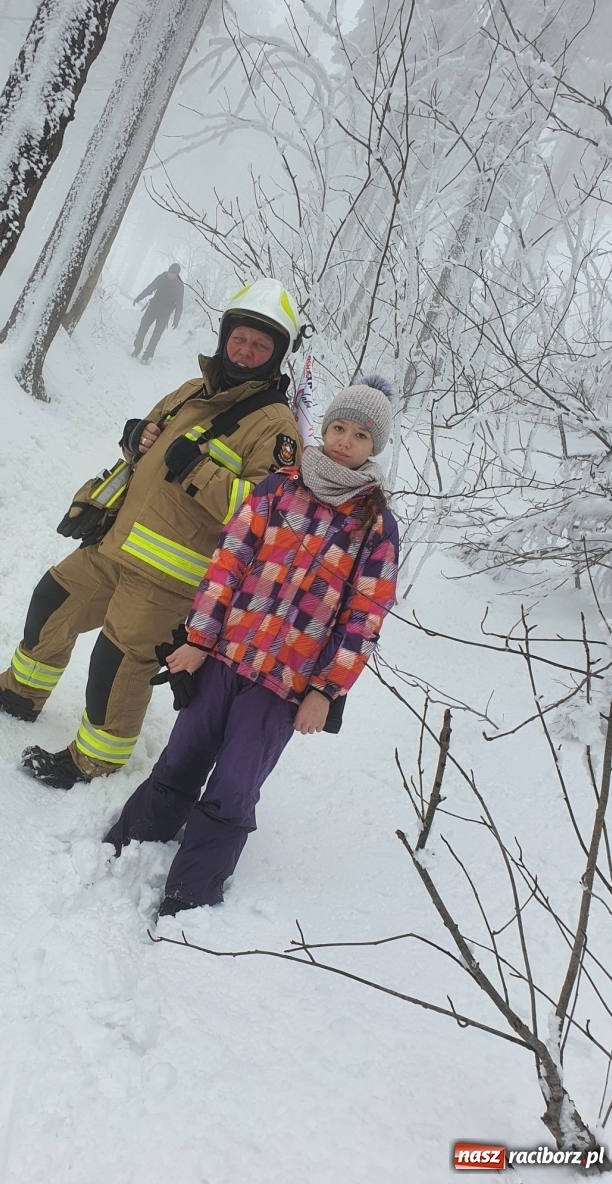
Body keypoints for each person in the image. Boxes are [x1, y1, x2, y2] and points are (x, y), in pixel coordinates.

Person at [0, 278, 305, 789]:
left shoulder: (276, 427)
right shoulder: (192, 390)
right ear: (224, 336)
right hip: (117, 544)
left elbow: (271, 515)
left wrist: (199, 471)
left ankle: (94, 761)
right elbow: (149, 443)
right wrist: (135, 437)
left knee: (119, 663)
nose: (246, 350)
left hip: (169, 577)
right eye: (239, 338)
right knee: (52, 601)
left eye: (261, 345)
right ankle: (21, 693)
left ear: (276, 355)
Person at [104, 375, 399, 918]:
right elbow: (228, 562)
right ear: (325, 427)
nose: (344, 441)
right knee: (182, 756)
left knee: (235, 784)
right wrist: (198, 640)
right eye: (338, 427)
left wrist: (325, 692)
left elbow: (365, 616)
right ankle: (134, 838)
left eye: (360, 436)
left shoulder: (374, 523)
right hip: (223, 658)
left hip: (282, 684)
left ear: (373, 447)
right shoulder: (279, 487)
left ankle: (192, 892)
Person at [132, 264, 184, 362]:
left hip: (165, 314)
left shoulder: (179, 286)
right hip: (153, 308)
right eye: (170, 273)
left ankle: (146, 356)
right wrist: (139, 297)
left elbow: (179, 303)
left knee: (156, 336)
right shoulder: (161, 278)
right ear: (168, 271)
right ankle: (137, 349)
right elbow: (150, 288)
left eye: (174, 274)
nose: (171, 276)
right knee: (142, 330)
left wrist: (176, 318)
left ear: (177, 275)